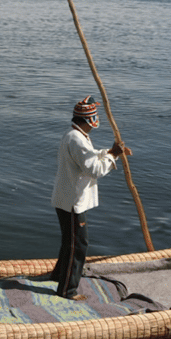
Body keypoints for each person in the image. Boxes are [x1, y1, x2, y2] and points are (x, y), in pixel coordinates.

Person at [50, 96, 130, 300]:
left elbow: (90, 156)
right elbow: (94, 169)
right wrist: (113, 156)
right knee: (78, 244)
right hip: (73, 202)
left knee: (70, 242)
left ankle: (59, 275)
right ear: (89, 120)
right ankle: (67, 290)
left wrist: (110, 152)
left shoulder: (74, 135)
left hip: (67, 198)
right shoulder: (77, 139)